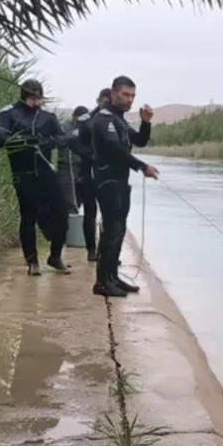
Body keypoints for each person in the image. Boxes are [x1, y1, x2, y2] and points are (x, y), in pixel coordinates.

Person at [0, 79, 73, 276]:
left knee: (62, 214)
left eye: (38, 98)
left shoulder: (48, 117)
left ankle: (55, 256)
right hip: (23, 173)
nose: (36, 102)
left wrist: (48, 141)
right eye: (32, 98)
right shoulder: (9, 114)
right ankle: (32, 262)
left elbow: (63, 138)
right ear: (23, 95)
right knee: (28, 217)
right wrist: (21, 140)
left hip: (46, 172)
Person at [89, 75, 159, 297]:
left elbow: (139, 141)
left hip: (120, 181)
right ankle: (102, 282)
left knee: (118, 230)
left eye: (132, 96)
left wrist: (146, 122)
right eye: (125, 95)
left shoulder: (119, 120)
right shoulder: (104, 119)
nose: (129, 100)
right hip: (106, 181)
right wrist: (141, 166)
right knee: (111, 231)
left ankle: (112, 277)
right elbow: (115, 150)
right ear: (113, 94)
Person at [73, 88, 113, 262]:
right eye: (104, 101)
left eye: (109, 101)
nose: (107, 104)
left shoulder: (115, 119)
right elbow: (75, 144)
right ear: (98, 101)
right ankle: (91, 249)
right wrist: (90, 155)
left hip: (108, 173)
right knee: (90, 212)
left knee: (110, 215)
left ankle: (106, 251)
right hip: (88, 172)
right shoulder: (87, 120)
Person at [57, 106, 88, 214]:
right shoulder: (64, 127)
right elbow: (60, 140)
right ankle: (70, 223)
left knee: (80, 197)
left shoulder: (87, 126)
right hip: (66, 167)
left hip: (82, 167)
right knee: (68, 198)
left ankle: (76, 215)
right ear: (74, 116)